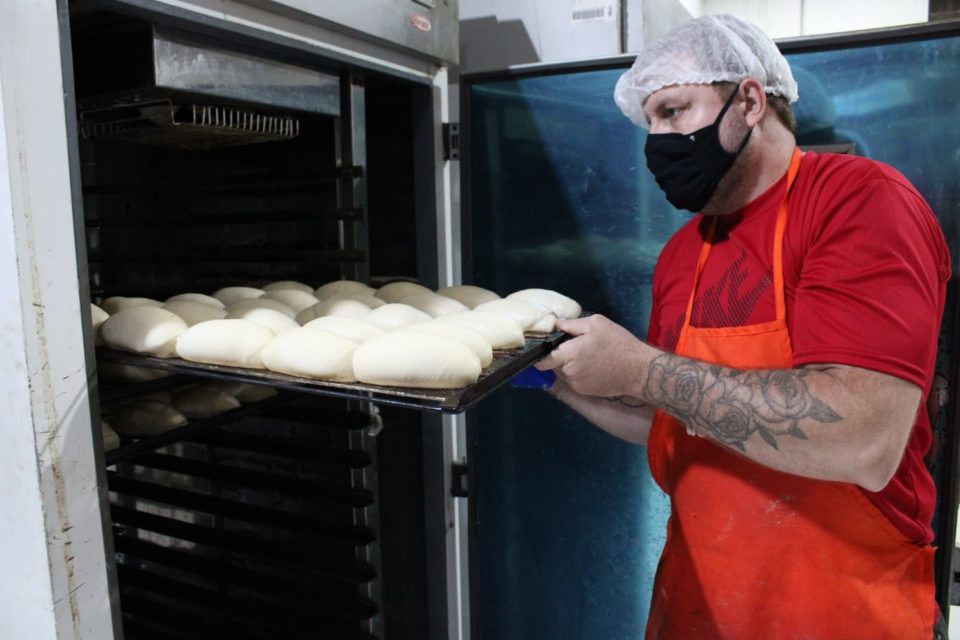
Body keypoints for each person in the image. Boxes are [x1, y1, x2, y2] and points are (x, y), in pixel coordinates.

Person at [532, 14, 952, 639]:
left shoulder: (859, 202)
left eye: (673, 111)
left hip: (842, 613)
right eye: (648, 122)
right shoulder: (683, 254)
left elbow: (866, 438)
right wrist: (550, 378)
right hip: (698, 606)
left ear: (750, 100)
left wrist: (641, 368)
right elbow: (683, 418)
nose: (657, 140)